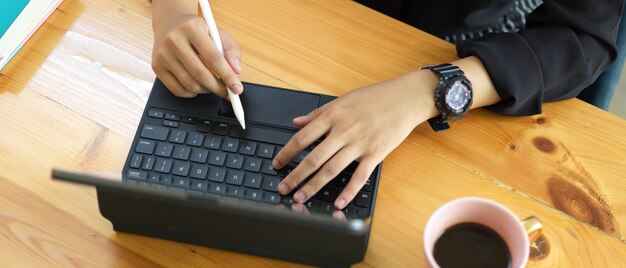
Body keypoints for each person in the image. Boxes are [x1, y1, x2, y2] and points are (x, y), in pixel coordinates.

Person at [150, 0, 624, 210]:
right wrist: (171, 11)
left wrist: (429, 91)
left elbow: (581, 39)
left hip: (470, 58)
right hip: (305, 33)